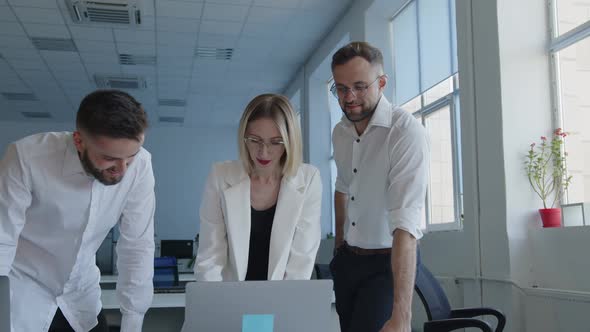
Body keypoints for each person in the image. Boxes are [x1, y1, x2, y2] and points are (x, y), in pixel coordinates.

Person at [0, 90, 156, 332]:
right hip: (24, 293)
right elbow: (2, 240)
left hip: (82, 298)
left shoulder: (141, 166)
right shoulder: (26, 157)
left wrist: (133, 322)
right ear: (79, 141)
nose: (122, 169)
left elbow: (137, 245)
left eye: (130, 157)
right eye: (109, 158)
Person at [329, 41, 429, 332]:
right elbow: (343, 187)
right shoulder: (340, 132)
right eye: (341, 88)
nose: (350, 97)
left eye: (360, 86)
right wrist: (338, 248)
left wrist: (403, 317)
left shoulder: (404, 132)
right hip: (349, 262)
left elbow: (406, 224)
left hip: (387, 265)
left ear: (382, 83)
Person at [195, 93, 322, 281]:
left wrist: (283, 308)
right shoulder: (220, 176)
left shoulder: (309, 179)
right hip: (230, 298)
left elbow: (301, 262)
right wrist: (217, 305)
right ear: (243, 137)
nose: (263, 151)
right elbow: (211, 256)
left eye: (275, 142)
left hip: (282, 298)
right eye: (255, 140)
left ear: (290, 141)